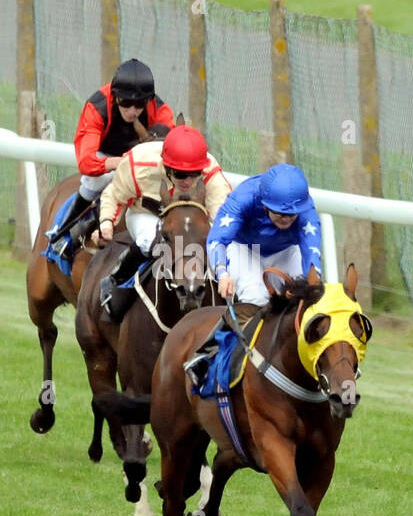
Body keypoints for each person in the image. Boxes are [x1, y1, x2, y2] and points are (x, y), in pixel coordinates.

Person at [93, 125, 233, 323]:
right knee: (152, 241)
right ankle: (117, 280)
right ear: (166, 166)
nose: (188, 180)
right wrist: (107, 222)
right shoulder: (137, 164)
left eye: (194, 174)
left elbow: (223, 215)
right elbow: (114, 194)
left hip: (190, 218)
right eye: (180, 174)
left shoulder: (211, 172)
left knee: (207, 241)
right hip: (147, 214)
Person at [46, 59, 175, 262]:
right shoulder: (96, 107)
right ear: (115, 97)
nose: (133, 111)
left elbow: (173, 147)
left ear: (148, 101)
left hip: (141, 158)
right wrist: (116, 163)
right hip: (104, 155)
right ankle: (65, 233)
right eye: (125, 103)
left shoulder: (160, 110)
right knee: (95, 180)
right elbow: (86, 162)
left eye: (139, 104)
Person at [206, 163, 324, 307]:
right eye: (280, 213)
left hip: (286, 251)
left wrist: (314, 285)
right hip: (245, 248)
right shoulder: (243, 198)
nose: (286, 219)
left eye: (292, 214)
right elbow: (217, 239)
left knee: (306, 300)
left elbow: (311, 253)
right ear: (265, 206)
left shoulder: (306, 212)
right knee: (256, 298)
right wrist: (222, 273)